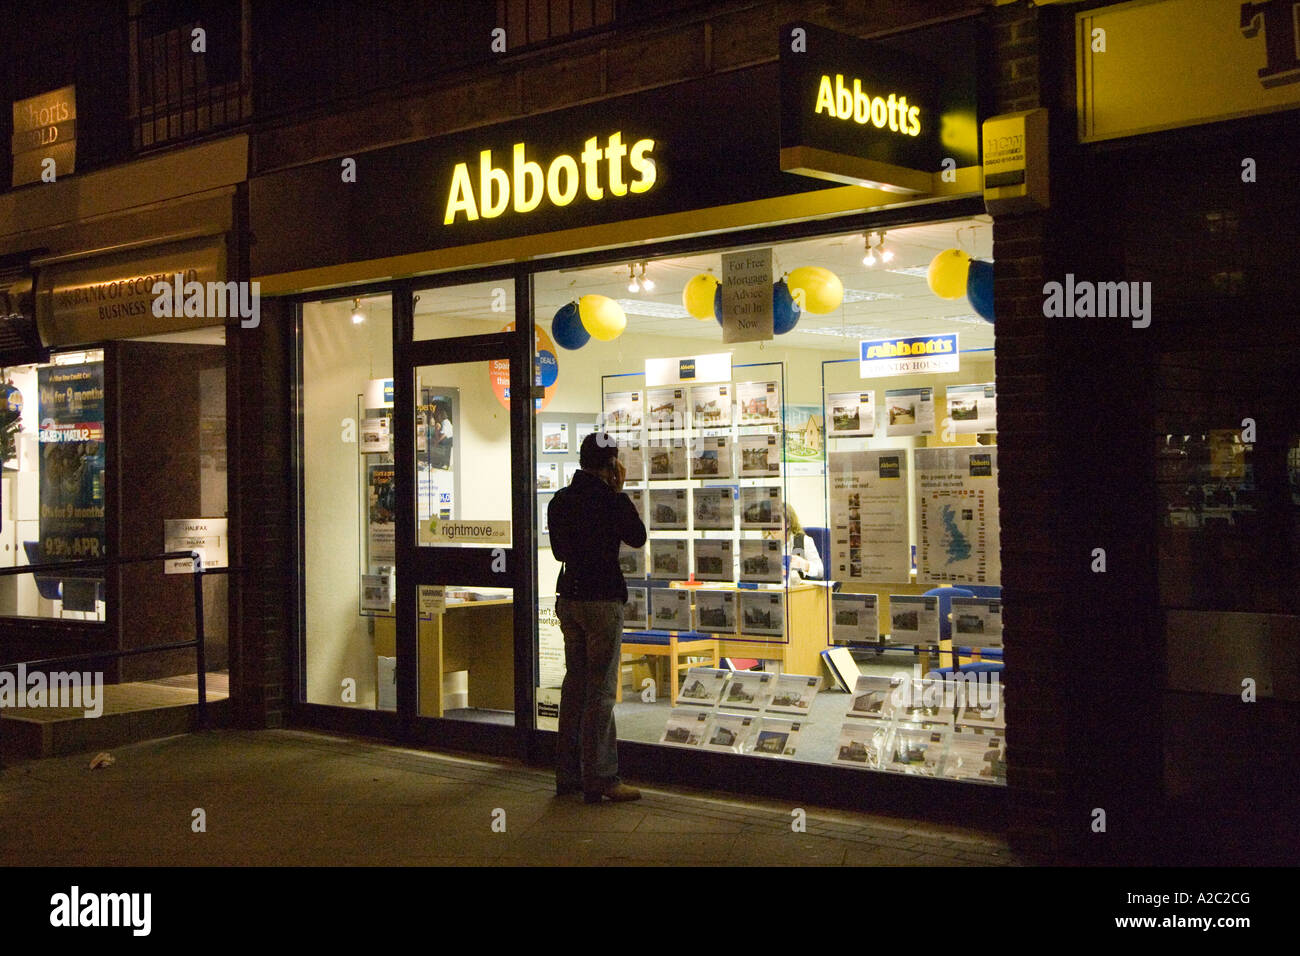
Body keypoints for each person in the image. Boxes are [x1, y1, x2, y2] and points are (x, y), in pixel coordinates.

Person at [547, 432, 647, 803]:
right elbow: (637, 537)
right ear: (610, 464)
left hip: (569, 597)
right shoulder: (610, 500)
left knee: (575, 687)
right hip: (602, 600)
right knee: (602, 690)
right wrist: (619, 492)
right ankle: (602, 777)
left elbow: (559, 552)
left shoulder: (560, 500)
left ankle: (567, 775)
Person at [772, 502, 823, 581]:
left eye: (776, 521)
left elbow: (820, 572)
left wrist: (805, 565)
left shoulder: (803, 541)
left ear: (788, 523)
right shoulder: (764, 543)